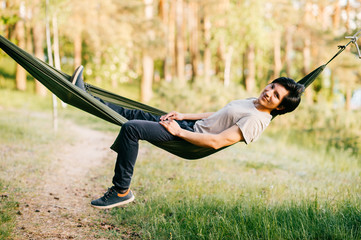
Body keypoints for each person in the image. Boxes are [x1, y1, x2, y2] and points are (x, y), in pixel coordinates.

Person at [71, 66, 305, 209]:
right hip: (189, 125)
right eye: (272, 86)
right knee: (134, 114)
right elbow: (218, 115)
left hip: (190, 138)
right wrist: (184, 116)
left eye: (275, 96)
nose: (268, 93)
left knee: (132, 128)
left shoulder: (257, 120)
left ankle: (121, 191)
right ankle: (82, 94)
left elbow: (217, 141)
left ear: (280, 108)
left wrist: (179, 132)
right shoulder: (253, 102)